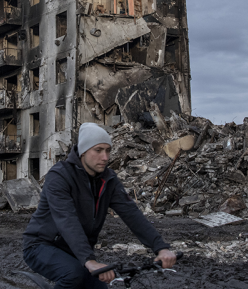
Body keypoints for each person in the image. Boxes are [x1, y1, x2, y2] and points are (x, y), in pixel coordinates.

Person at [23, 123, 176, 288]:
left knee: (100, 286)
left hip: (76, 251)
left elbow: (132, 214)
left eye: (108, 150)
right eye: (98, 150)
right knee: (73, 275)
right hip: (41, 246)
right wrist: (89, 260)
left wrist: (160, 247)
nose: (105, 157)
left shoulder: (108, 179)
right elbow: (67, 220)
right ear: (83, 151)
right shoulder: (59, 176)